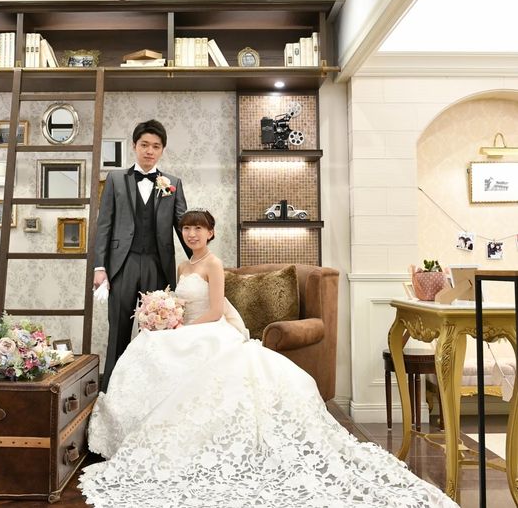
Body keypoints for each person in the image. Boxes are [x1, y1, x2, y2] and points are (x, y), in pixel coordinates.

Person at [81, 210, 458, 508]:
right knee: (147, 344)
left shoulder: (214, 264)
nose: (192, 234)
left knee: (170, 350)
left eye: (199, 228)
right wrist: (164, 316)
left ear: (211, 233)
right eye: (187, 229)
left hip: (209, 328)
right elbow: (180, 302)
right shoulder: (183, 267)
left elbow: (215, 311)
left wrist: (182, 329)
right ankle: (136, 428)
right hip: (187, 326)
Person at [93, 119, 189, 391]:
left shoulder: (172, 183)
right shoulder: (115, 180)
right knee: (118, 332)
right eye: (144, 145)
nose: (149, 151)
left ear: (162, 150)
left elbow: (183, 226)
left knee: (157, 335)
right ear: (134, 146)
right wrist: (99, 267)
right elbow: (104, 225)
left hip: (158, 265)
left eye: (156, 146)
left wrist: (199, 261)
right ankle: (111, 393)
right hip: (122, 265)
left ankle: (153, 392)